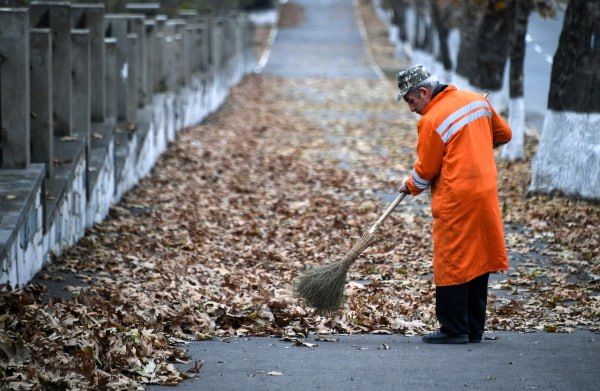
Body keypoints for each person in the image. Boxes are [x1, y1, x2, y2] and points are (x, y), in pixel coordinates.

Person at [396, 64, 512, 344]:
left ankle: (453, 328)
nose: (412, 109)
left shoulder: (432, 120)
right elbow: (504, 135)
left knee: (452, 258)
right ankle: (474, 328)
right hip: (484, 192)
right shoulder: (476, 101)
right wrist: (474, 144)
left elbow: (425, 171)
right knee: (479, 256)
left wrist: (409, 185)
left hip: (457, 197)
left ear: (424, 92)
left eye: (411, 101)